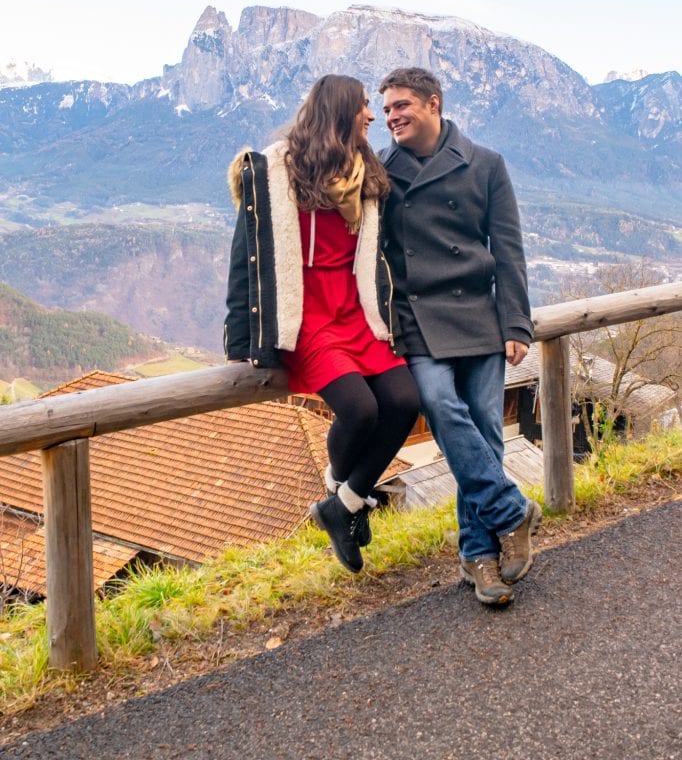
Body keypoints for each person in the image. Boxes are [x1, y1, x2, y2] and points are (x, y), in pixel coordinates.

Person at [224, 74, 420, 574]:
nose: (372, 116)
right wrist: (240, 336)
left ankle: (343, 504)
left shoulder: (366, 171)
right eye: (362, 107)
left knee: (403, 400)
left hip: (355, 310)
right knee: (358, 409)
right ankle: (342, 494)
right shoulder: (276, 170)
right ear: (338, 112)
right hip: (307, 314)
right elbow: (246, 256)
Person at [379, 67, 541, 607]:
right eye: (386, 110)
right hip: (418, 318)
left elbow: (508, 246)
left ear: (433, 103)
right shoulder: (382, 173)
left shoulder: (487, 164)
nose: (392, 116)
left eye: (402, 105)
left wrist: (516, 321)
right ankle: (511, 509)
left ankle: (480, 559)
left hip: (479, 314)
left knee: (487, 434)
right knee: (443, 407)